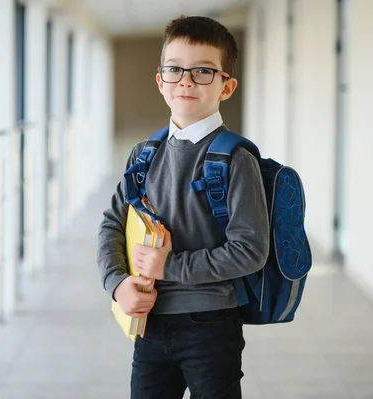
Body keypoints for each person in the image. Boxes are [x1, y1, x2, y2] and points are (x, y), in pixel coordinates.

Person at [96, 15, 270, 399]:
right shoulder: (143, 155)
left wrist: (170, 266)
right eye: (175, 69)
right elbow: (112, 223)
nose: (186, 80)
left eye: (204, 71)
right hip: (148, 323)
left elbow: (251, 250)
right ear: (161, 81)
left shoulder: (235, 160)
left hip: (210, 325)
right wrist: (117, 283)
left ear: (227, 86)